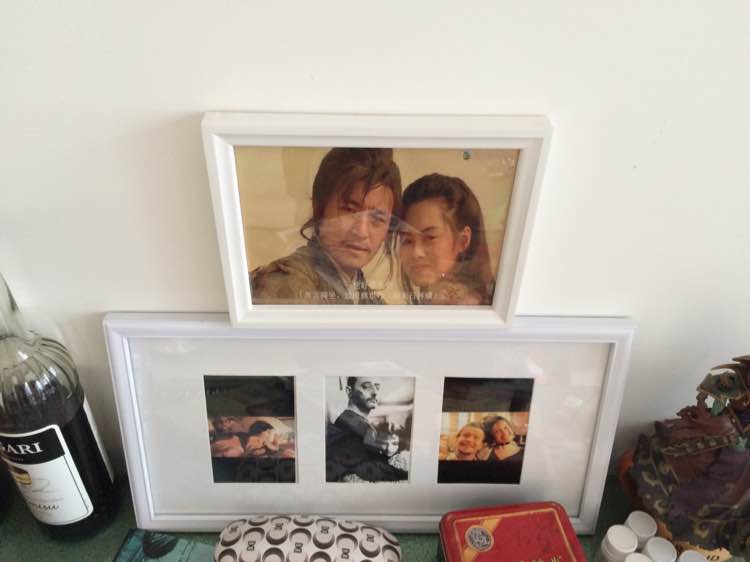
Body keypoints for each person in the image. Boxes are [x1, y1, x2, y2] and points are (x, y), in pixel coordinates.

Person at [251, 148, 403, 304]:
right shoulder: (286, 285)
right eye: (350, 210)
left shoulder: (373, 303)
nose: (361, 232)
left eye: (377, 218)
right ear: (320, 209)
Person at [398, 173, 494, 305]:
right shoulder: (432, 300)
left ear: (463, 240)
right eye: (407, 240)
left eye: (430, 237)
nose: (416, 252)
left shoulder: (466, 306)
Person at [326, 376, 408, 482]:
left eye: (377, 387)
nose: (375, 392)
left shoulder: (358, 423)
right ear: (349, 391)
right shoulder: (350, 424)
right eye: (366, 387)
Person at [477, 416, 525, 481]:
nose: (504, 433)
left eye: (505, 427)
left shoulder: (524, 452)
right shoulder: (483, 453)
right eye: (497, 431)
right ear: (491, 436)